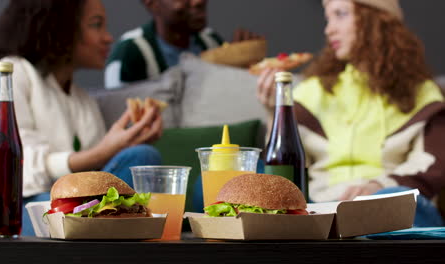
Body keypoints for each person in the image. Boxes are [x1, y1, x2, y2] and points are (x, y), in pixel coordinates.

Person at [0, 0, 163, 236]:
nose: (108, 38)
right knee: (49, 206)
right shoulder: (12, 72)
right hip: (21, 204)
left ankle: (106, 225)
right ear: (60, 27)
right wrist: (103, 151)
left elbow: (98, 174)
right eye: (97, 25)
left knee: (142, 155)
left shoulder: (82, 99)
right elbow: (19, 168)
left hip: (82, 205)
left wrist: (129, 139)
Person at [257, 0, 445, 226]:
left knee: (389, 202)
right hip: (325, 208)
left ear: (375, 20)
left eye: (340, 14)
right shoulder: (310, 92)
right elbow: (283, 170)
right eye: (328, 18)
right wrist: (274, 114)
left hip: (394, 203)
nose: (329, 29)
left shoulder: (423, 93)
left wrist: (380, 187)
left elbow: (432, 167)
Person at [104, 0, 263, 89]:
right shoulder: (129, 53)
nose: (198, 1)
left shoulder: (210, 41)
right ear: (151, 3)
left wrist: (240, 67)